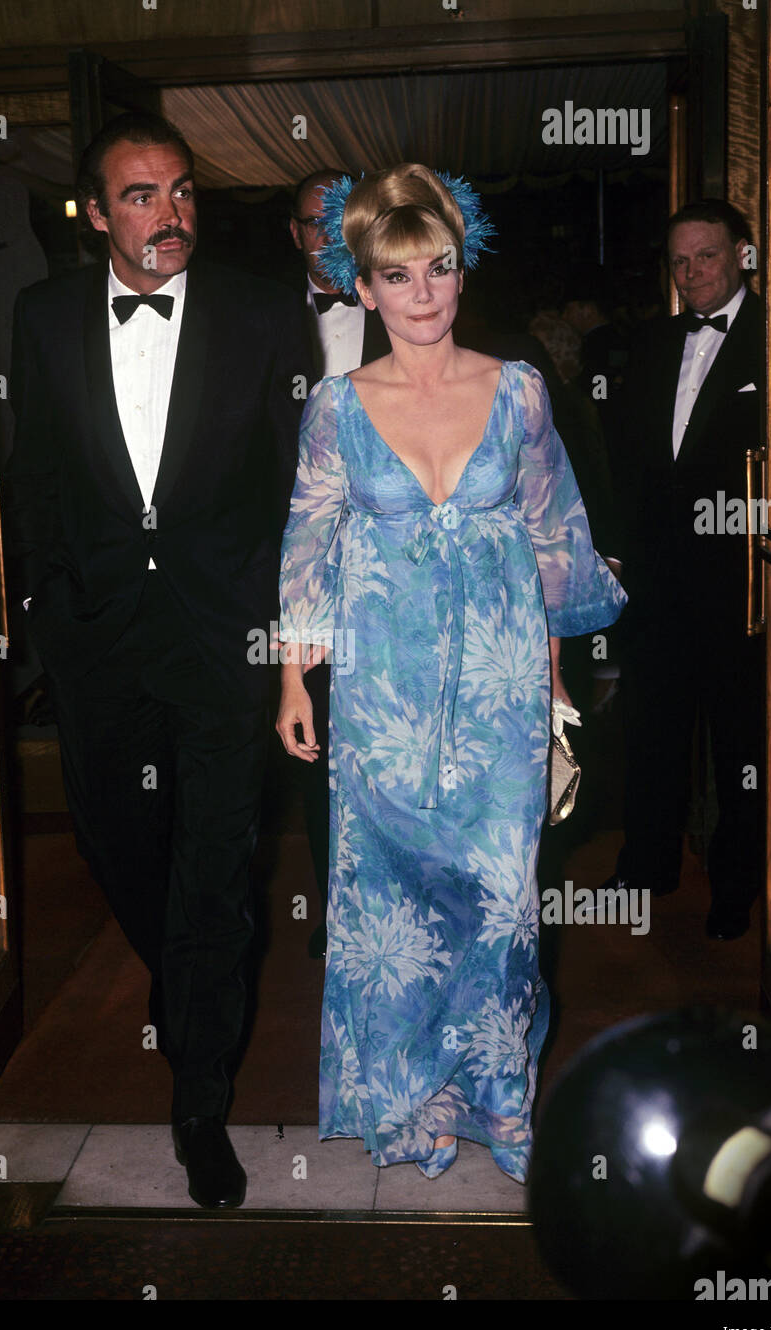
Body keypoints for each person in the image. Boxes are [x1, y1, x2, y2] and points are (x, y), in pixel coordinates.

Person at [275, 165, 625, 1181]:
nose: (422, 293)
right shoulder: (336, 406)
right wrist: (294, 680)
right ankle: (412, 1096)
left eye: (439, 268)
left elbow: (555, 537)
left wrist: (557, 684)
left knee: (500, 900)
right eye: (397, 275)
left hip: (502, 679)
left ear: (461, 274)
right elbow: (308, 545)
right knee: (392, 898)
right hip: (383, 687)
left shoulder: (516, 388)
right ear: (362, 286)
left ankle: (499, 1096)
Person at [1, 112, 312, 1209]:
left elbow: (296, 492)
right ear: (94, 216)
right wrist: (45, 604)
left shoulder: (266, 316)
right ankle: (187, 997)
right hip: (96, 641)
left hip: (226, 640)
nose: (169, 214)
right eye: (140, 196)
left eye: (181, 192)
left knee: (218, 867)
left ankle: (199, 1101)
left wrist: (288, 636)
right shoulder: (39, 321)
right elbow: (30, 473)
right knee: (119, 843)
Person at [604, 199, 764, 941]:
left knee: (740, 743)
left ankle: (737, 887)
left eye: (705, 255)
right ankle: (646, 865)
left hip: (740, 583)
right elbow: (625, 462)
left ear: (741, 254)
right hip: (654, 579)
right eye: (678, 260)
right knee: (651, 729)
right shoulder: (649, 342)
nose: (691, 272)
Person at [287, 169, 390, 959]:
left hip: (399, 573)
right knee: (317, 758)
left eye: (340, 221)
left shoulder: (410, 307)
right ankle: (341, 911)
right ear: (296, 234)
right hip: (302, 572)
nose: (327, 236)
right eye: (313, 223)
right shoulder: (255, 321)